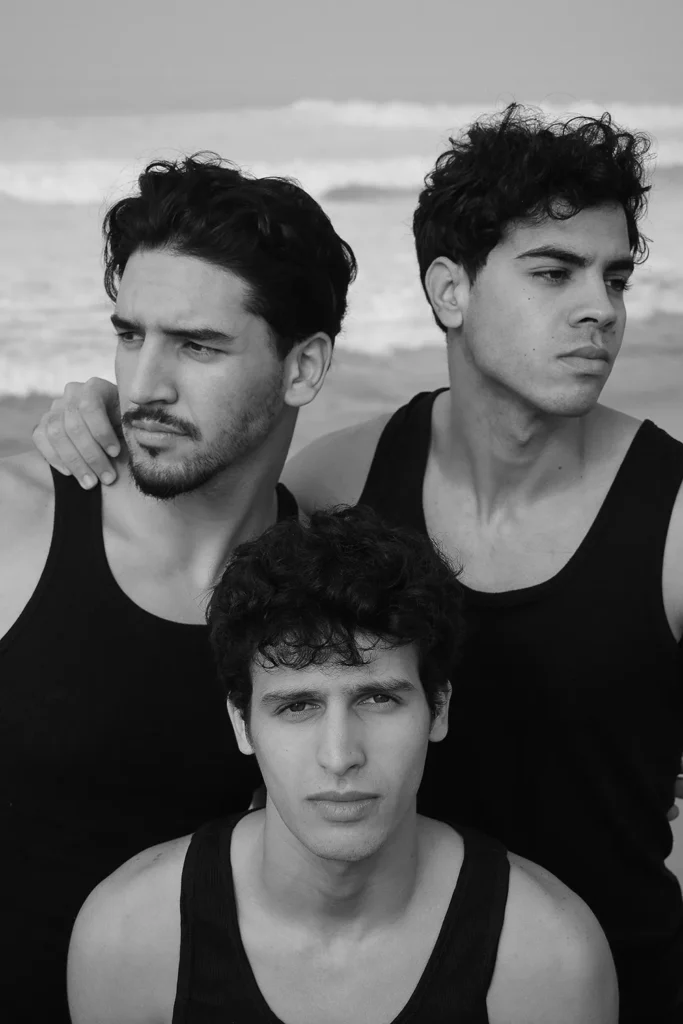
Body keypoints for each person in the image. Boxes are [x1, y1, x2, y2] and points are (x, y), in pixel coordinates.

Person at [37, 105, 683, 1023]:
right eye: (553, 272)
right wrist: (109, 410)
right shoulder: (341, 481)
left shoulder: (671, 519)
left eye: (615, 277)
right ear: (449, 291)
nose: (601, 309)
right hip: (362, 974)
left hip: (601, 980)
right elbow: (208, 543)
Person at [0, 153, 356, 1022]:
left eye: (196, 346)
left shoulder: (326, 579)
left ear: (303, 369)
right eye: (130, 337)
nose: (144, 387)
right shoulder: (16, 520)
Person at [67, 505, 617, 1024]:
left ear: (439, 708)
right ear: (241, 723)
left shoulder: (549, 955)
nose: (340, 756)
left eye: (378, 699)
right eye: (296, 706)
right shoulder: (127, 937)